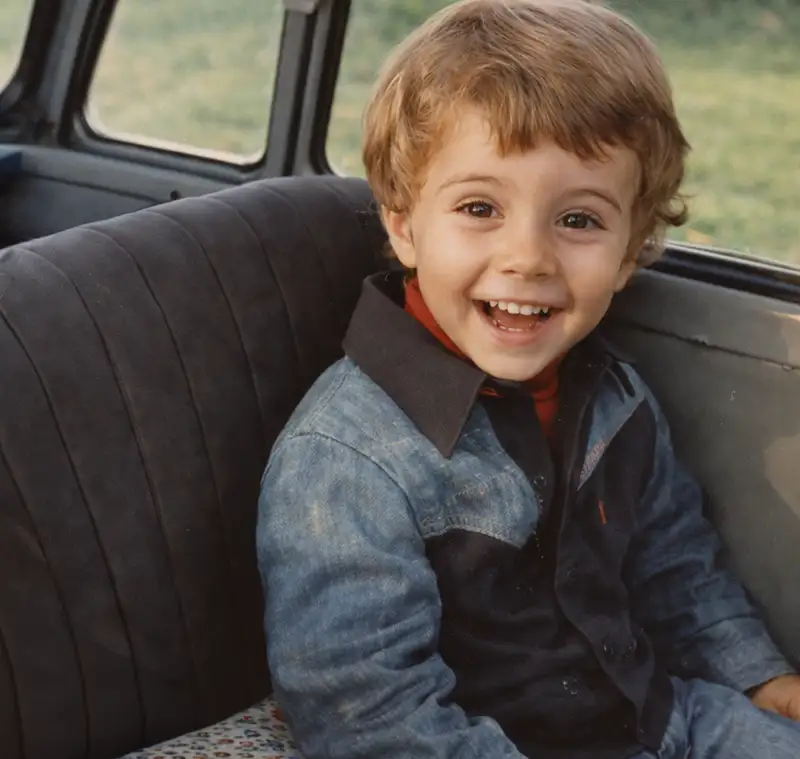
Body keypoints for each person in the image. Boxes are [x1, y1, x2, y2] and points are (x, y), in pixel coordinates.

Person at [256, 1, 800, 757]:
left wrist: (757, 678)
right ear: (405, 225)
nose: (530, 258)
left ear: (633, 246)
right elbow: (374, 718)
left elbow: (676, 568)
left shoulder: (616, 396)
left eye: (578, 220)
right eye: (480, 207)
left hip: (661, 716)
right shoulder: (346, 460)